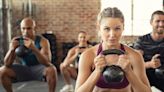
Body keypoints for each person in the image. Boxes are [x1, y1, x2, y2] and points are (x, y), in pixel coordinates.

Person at [75, 7, 151, 92]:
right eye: (107, 29)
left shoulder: (134, 56)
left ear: (123, 28)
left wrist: (129, 71)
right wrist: (96, 72)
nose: (112, 34)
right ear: (99, 28)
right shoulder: (88, 56)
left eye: (117, 28)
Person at [0, 17, 57, 92]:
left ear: (34, 29)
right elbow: (7, 64)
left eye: (29, 28)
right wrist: (12, 49)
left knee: (52, 69)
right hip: (24, 68)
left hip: (39, 69)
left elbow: (47, 62)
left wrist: (34, 49)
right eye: (23, 29)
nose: (26, 31)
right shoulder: (17, 41)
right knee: (2, 70)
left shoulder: (42, 41)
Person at [133, 10, 164, 91]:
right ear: (151, 22)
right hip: (146, 76)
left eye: (163, 21)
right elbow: (134, 64)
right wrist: (150, 64)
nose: (161, 24)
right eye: (157, 21)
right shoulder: (142, 41)